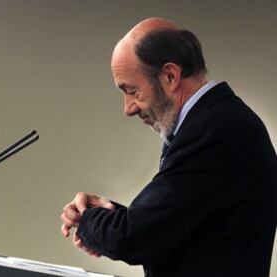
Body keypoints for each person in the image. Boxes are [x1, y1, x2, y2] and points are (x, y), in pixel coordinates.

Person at [60, 17, 277, 277]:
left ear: (170, 76)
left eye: (132, 91)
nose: (128, 108)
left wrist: (87, 219)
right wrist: (105, 214)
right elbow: (174, 224)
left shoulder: (215, 131)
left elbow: (134, 238)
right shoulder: (219, 121)